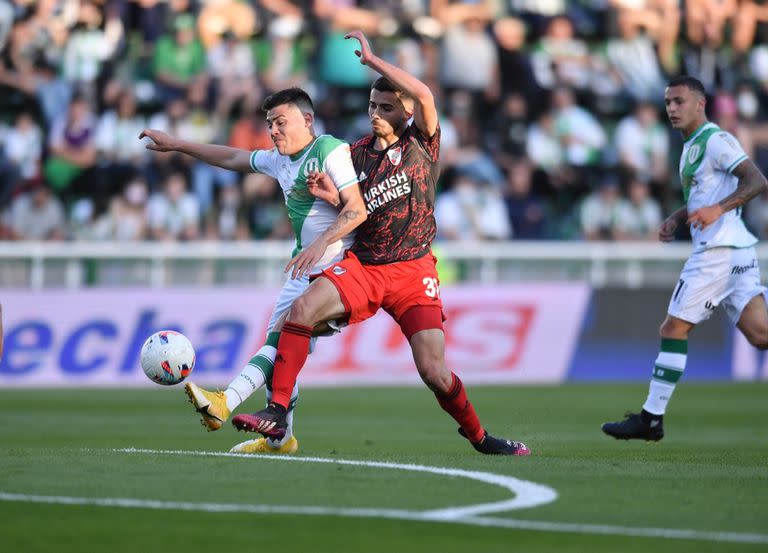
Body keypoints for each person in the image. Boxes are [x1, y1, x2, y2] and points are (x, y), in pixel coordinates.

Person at [230, 31, 530, 456]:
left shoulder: (422, 143)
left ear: (406, 111)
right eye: (372, 105)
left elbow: (425, 93)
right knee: (301, 310)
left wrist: (374, 62)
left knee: (434, 371)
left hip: (414, 269)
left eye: (386, 106)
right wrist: (330, 196)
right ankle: (277, 412)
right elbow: (357, 205)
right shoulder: (355, 155)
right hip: (366, 265)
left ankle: (481, 438)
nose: (376, 113)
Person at [139, 87, 366, 454]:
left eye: (281, 122)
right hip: (301, 270)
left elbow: (356, 209)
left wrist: (321, 244)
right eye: (269, 124)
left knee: (280, 340)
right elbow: (232, 156)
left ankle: (225, 402)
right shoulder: (280, 160)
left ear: (307, 120)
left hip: (339, 272)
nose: (273, 131)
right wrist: (177, 145)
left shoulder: (329, 150)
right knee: (279, 351)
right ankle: (281, 438)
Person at [602, 76, 768, 441]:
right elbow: (706, 195)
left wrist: (718, 209)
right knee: (760, 335)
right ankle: (651, 419)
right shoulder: (692, 146)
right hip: (737, 251)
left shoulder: (716, 140)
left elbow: (757, 181)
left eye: (679, 101)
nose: (672, 109)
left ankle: (651, 419)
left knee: (673, 329)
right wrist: (679, 217)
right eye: (668, 103)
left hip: (717, 253)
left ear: (700, 103)